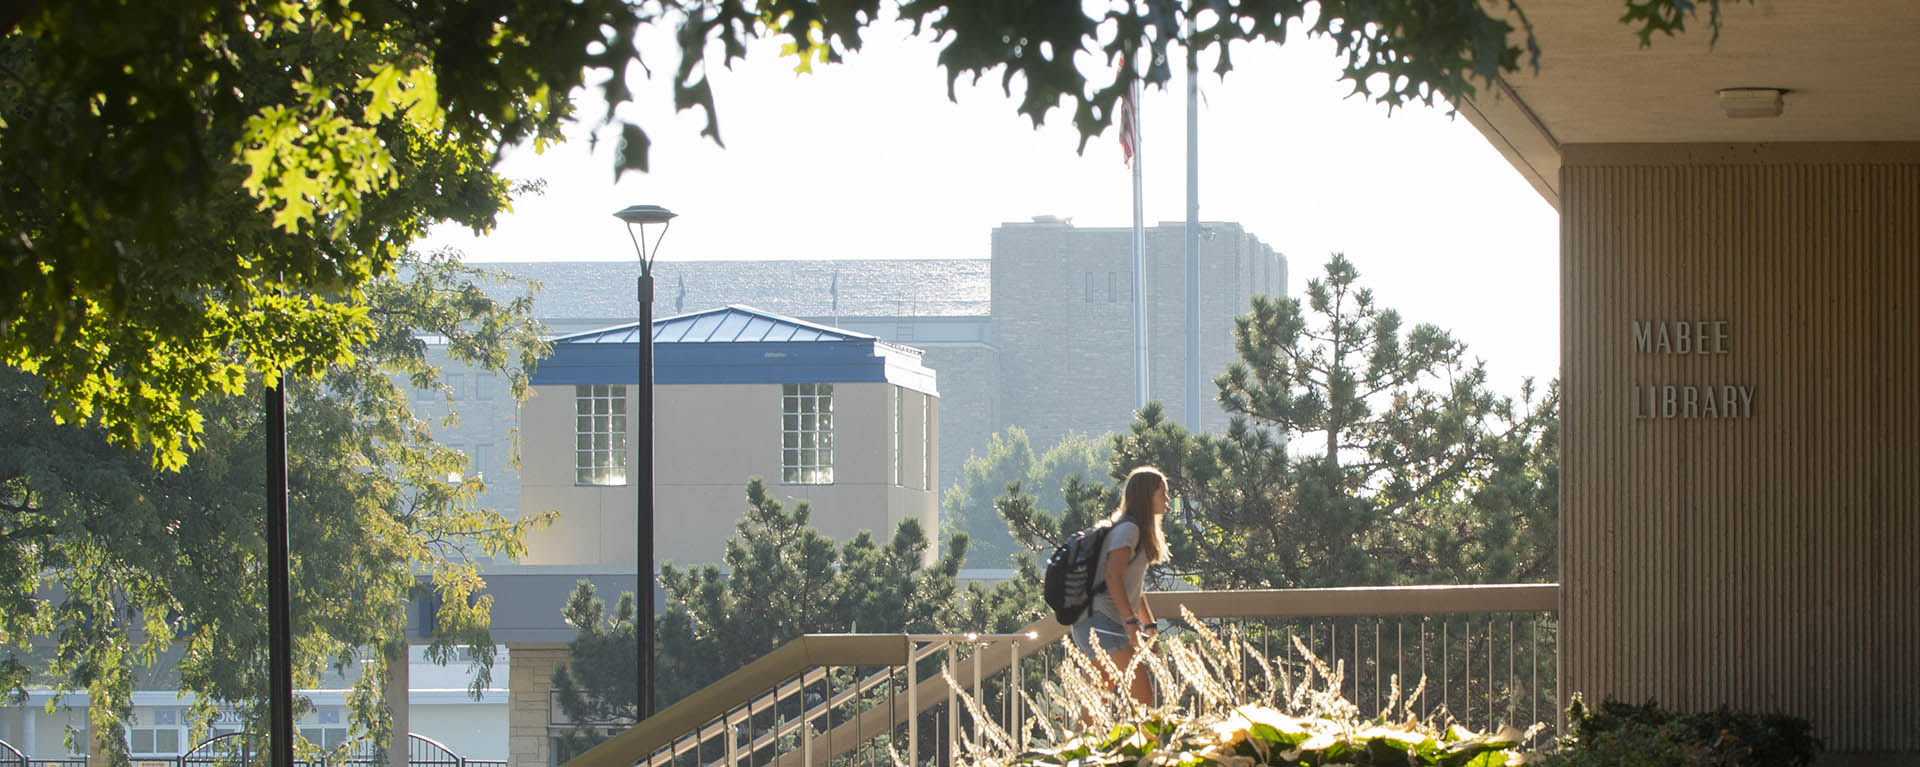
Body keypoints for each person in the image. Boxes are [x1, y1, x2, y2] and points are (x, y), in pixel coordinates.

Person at [1070, 465, 1170, 707]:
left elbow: (1133, 587)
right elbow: (1112, 576)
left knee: (1095, 707)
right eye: (1161, 493)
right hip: (1103, 624)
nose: (1167, 500)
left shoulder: (1132, 530)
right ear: (1146, 497)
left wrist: (1149, 624)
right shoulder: (1129, 530)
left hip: (1091, 624)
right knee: (1143, 701)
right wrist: (1131, 622)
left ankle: (1078, 745)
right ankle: (1145, 744)